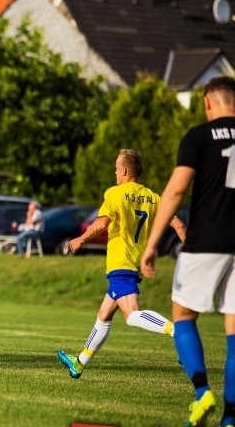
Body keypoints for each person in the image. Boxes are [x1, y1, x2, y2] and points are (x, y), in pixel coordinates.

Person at [141, 76, 235, 427]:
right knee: (234, 333)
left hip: (206, 240)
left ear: (208, 103)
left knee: (182, 315)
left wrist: (151, 245)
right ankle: (230, 420)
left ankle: (201, 392)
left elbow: (177, 188)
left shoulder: (199, 136)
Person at [57, 149, 186, 379]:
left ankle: (178, 331)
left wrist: (80, 239)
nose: (115, 172)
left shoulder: (115, 194)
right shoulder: (152, 197)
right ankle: (79, 363)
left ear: (125, 171)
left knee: (132, 315)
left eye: (117, 168)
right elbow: (179, 226)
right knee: (104, 314)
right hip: (133, 264)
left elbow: (101, 224)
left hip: (120, 263)